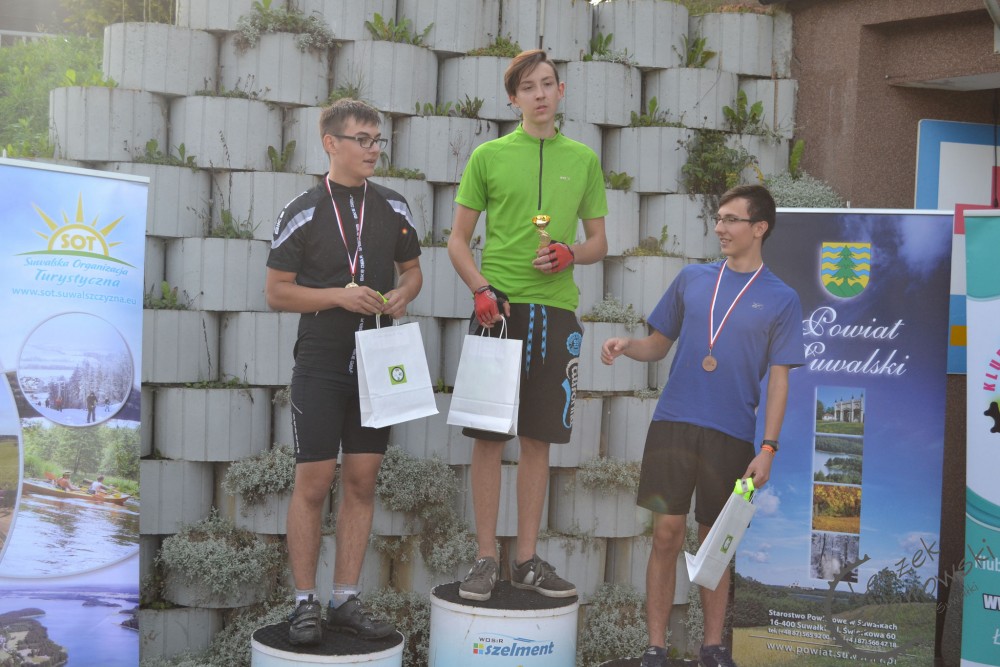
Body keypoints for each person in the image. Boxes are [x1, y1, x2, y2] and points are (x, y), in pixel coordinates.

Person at [600, 185, 804, 667]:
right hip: (672, 424)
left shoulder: (782, 298)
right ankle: (655, 647)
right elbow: (658, 344)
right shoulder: (691, 278)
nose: (720, 228)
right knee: (665, 535)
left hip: (731, 434)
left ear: (760, 228)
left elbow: (779, 381)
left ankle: (712, 648)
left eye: (731, 219)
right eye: (718, 218)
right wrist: (628, 346)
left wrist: (768, 448)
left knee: (716, 545)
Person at [447, 49, 608, 602]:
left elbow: (599, 242)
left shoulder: (584, 159)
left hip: (557, 313)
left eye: (548, 84)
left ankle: (527, 560)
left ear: (561, 91)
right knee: (489, 439)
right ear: (513, 98)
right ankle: (484, 558)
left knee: (539, 439)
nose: (540, 94)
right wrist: (480, 289)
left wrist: (571, 253)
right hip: (499, 311)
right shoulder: (488, 156)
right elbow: (457, 241)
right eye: (528, 87)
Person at [265, 99, 423, 646]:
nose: (373, 149)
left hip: (378, 361)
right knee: (313, 482)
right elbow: (276, 292)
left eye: (378, 140)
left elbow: (413, 271)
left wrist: (404, 294)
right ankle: (304, 603)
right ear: (331, 143)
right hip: (321, 362)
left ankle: (346, 599)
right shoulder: (303, 210)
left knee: (362, 480)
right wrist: (339, 295)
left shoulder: (394, 206)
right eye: (362, 139)